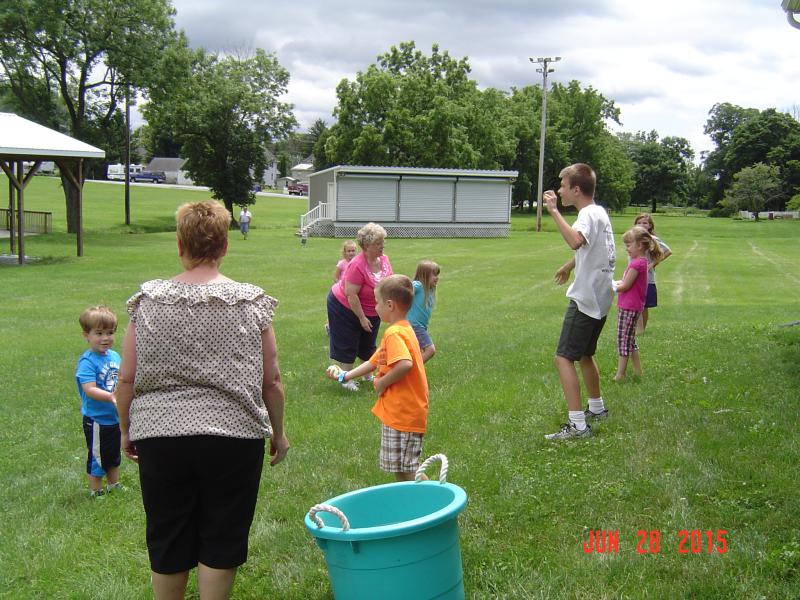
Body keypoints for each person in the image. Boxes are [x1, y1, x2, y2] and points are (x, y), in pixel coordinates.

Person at [116, 200, 289, 600]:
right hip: (234, 436)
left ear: (180, 245)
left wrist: (128, 430)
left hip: (160, 434)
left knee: (168, 534)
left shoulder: (148, 301)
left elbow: (126, 379)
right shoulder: (249, 303)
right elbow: (272, 380)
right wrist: (278, 433)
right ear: (225, 245)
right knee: (223, 534)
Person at [326, 275, 429, 481]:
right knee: (402, 468)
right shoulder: (403, 329)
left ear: (390, 305)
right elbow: (374, 362)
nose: (375, 306)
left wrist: (381, 382)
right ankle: (411, 506)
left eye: (377, 302)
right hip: (403, 412)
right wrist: (346, 376)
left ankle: (434, 503)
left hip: (403, 413)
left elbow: (404, 364)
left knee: (408, 470)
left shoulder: (394, 333)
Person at [543, 163, 616, 440]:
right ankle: (596, 408)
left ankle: (577, 425)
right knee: (586, 354)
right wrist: (569, 266)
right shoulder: (600, 213)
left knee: (563, 358)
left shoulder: (586, 214)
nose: (559, 190)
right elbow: (590, 250)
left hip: (586, 298)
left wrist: (553, 211)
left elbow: (575, 241)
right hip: (602, 297)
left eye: (562, 186)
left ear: (576, 189)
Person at [327, 222, 393, 391]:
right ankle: (346, 379)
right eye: (378, 243)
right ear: (367, 246)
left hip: (373, 309)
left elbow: (389, 283)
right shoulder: (357, 264)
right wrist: (362, 318)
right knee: (348, 341)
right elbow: (351, 294)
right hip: (345, 306)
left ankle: (367, 374)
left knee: (368, 341)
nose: (382, 246)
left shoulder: (384, 260)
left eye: (382, 242)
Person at [76, 305, 122, 498]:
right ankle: (96, 491)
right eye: (99, 333)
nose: (106, 338)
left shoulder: (114, 356)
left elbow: (120, 379)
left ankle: (114, 484)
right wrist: (111, 396)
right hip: (97, 420)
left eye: (110, 333)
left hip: (113, 418)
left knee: (113, 454)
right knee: (97, 457)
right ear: (86, 335)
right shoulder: (88, 361)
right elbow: (90, 388)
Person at [612, 226, 662, 380]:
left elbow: (625, 286)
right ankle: (638, 371)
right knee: (630, 340)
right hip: (632, 306)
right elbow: (626, 282)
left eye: (628, 245)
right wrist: (616, 283)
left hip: (629, 306)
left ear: (639, 246)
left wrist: (610, 287)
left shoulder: (637, 264)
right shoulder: (640, 262)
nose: (627, 248)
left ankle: (621, 374)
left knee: (623, 340)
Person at [633, 213, 672, 333]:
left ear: (650, 225)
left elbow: (667, 251)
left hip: (646, 278)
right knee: (635, 303)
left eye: (644, 223)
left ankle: (641, 329)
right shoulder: (633, 238)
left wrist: (652, 264)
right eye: (639, 223)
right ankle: (636, 328)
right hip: (633, 275)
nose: (641, 225)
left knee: (643, 306)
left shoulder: (651, 239)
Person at [407, 260, 440, 363]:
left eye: (437, 274)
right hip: (414, 325)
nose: (437, 277)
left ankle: (408, 371)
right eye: (434, 275)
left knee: (412, 352)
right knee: (430, 350)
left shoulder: (430, 289)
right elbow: (406, 289)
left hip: (420, 326)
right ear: (424, 275)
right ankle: (413, 370)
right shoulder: (418, 285)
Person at [325, 240, 358, 335]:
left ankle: (348, 326)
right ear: (345, 252)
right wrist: (340, 285)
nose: (351, 253)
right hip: (341, 290)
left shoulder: (356, 263)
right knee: (336, 309)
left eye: (353, 251)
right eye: (349, 251)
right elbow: (335, 277)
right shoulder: (342, 264)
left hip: (351, 290)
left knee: (350, 309)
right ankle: (329, 325)